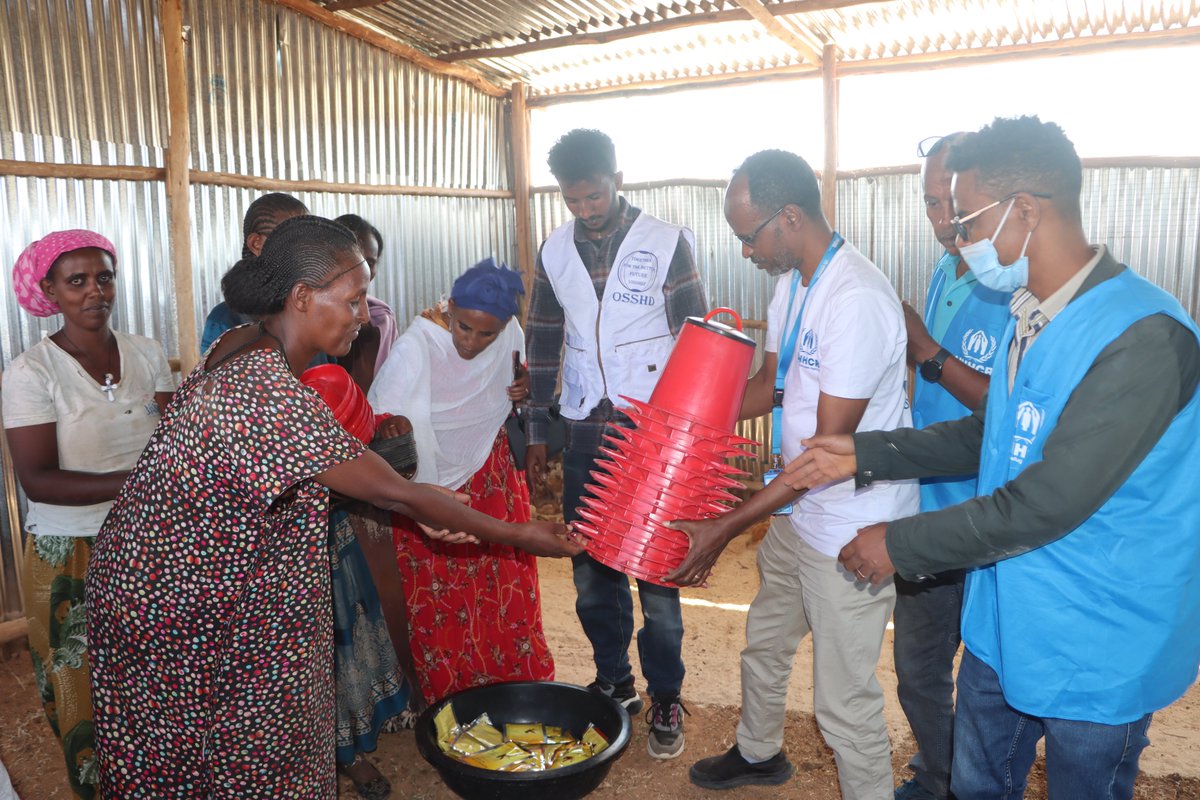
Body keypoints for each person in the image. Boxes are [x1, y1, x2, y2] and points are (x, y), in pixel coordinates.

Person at [84, 215, 582, 799]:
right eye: (353, 299)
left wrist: (418, 505)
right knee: (224, 761)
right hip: (182, 608)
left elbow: (317, 476)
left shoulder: (246, 344)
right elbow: (391, 489)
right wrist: (522, 533)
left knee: (227, 756)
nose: (365, 314)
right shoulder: (262, 388)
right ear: (302, 297)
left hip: (190, 588)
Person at [785, 116, 1200, 800]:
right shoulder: (1027, 312)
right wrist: (865, 452)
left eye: (969, 220)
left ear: (1026, 210)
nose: (957, 237)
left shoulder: (1144, 337)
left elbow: (1048, 501)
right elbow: (992, 434)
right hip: (1005, 615)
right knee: (977, 784)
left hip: (1097, 634)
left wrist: (899, 542)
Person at [673, 150, 918, 799]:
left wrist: (726, 525)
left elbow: (826, 456)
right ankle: (758, 754)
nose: (745, 251)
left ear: (788, 216)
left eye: (749, 236)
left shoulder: (855, 299)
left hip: (852, 526)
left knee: (843, 703)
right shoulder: (793, 283)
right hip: (798, 510)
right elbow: (770, 386)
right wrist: (683, 419)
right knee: (765, 641)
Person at [524, 128, 708, 760]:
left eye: (595, 196)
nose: (585, 210)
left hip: (651, 436)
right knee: (592, 573)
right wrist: (537, 428)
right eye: (573, 200)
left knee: (656, 577)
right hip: (583, 430)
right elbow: (543, 338)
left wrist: (687, 437)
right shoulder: (555, 251)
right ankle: (615, 682)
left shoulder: (666, 242)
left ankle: (666, 695)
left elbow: (695, 339)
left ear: (617, 181)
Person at [4, 229, 175, 800]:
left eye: (104, 277)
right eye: (76, 280)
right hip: (71, 553)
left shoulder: (146, 353)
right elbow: (38, 479)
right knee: (84, 695)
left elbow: (173, 441)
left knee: (158, 681)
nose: (94, 291)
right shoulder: (32, 373)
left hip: (149, 543)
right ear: (50, 290)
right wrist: (143, 482)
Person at [369, 258, 555, 704]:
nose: (471, 342)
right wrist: (396, 443)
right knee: (441, 592)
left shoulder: (510, 331)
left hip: (492, 471)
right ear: (450, 307)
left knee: (503, 580)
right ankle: (452, 696)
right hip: (431, 483)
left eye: (486, 334)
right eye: (464, 327)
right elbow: (380, 416)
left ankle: (512, 685)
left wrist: (524, 385)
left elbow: (511, 376)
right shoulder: (418, 345)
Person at [891, 134, 1012, 800]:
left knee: (989, 679)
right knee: (918, 668)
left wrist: (927, 350)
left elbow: (1008, 407)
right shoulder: (948, 268)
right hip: (930, 505)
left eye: (954, 205)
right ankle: (938, 775)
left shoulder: (1014, 284)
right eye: (932, 203)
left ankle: (971, 782)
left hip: (989, 514)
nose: (943, 220)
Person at [200, 192, 309, 352]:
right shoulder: (224, 320)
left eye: (307, 239)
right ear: (256, 244)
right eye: (291, 239)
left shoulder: (313, 309)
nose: (304, 249)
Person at [334, 213, 399, 391]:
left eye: (369, 263)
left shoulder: (382, 321)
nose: (362, 270)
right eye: (353, 260)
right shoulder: (311, 317)